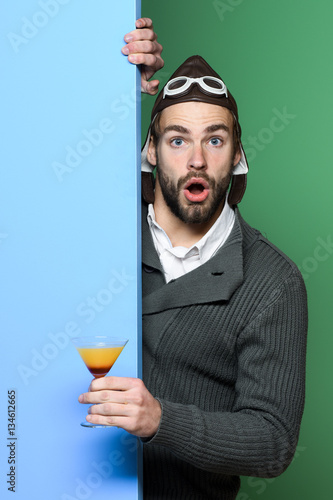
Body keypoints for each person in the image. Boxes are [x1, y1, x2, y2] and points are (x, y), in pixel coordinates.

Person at [79, 19, 308, 500]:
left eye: (215, 140)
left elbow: (272, 442)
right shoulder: (97, 237)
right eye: (178, 140)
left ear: (238, 155)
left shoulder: (274, 282)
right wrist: (106, 83)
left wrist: (160, 419)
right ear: (150, 152)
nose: (197, 160)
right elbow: (35, 171)